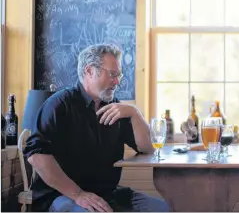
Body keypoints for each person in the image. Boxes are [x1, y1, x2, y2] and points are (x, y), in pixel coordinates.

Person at [24, 44, 169, 212]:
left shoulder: (116, 108)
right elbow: (36, 156)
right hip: (63, 196)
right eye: (112, 74)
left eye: (119, 75)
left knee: (165, 209)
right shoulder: (59, 105)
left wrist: (135, 113)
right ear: (89, 71)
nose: (117, 82)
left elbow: (149, 148)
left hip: (109, 194)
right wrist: (78, 194)